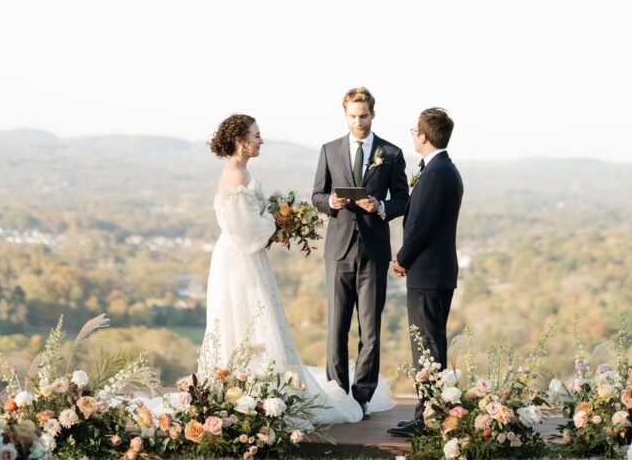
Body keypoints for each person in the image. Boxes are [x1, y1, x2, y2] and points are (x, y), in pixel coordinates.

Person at [198, 112, 382, 424]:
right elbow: (244, 230)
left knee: (257, 319)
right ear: (241, 142)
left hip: (245, 256)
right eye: (256, 135)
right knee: (246, 318)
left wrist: (276, 222)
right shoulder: (235, 175)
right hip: (238, 260)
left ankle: (254, 390)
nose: (261, 140)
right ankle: (243, 391)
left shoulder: (241, 171)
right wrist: (274, 221)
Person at [312, 87, 409, 417]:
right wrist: (331, 203)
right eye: (353, 116)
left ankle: (363, 395)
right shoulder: (329, 150)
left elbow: (402, 200)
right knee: (336, 327)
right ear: (345, 115)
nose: (359, 122)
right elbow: (317, 195)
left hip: (374, 252)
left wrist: (380, 205)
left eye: (363, 116)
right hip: (338, 252)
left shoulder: (391, 153)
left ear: (373, 114)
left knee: (370, 329)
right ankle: (337, 392)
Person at [388, 107, 464, 437]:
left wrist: (401, 258)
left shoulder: (437, 173)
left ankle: (428, 419)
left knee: (427, 349)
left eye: (414, 131)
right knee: (428, 347)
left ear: (423, 136)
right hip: (433, 273)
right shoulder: (441, 169)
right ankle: (429, 412)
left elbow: (422, 225)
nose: (413, 136)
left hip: (430, 274)